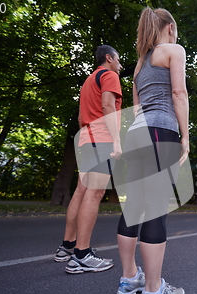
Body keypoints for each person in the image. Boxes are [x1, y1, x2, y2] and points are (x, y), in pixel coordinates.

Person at [114, 7, 190, 294]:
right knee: (156, 208)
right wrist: (185, 136)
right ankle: (154, 293)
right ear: (170, 27)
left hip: (136, 135)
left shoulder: (138, 66)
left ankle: (130, 279)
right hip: (162, 132)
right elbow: (178, 92)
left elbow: (135, 108)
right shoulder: (173, 50)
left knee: (133, 208)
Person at [54, 45, 123, 274]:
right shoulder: (110, 75)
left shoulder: (88, 80)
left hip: (85, 138)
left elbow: (81, 114)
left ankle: (67, 246)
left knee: (81, 191)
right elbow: (107, 106)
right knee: (95, 192)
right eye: (118, 60)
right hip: (100, 138)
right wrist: (116, 140)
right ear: (108, 58)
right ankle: (82, 255)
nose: (121, 65)